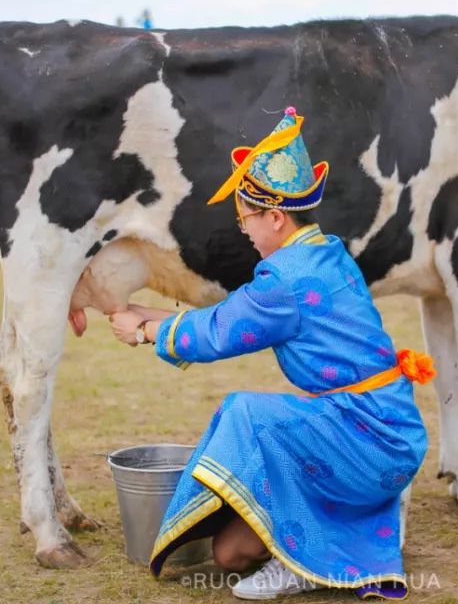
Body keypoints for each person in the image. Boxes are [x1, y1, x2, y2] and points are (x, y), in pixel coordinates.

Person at [108, 107, 433, 600]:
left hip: (368, 437)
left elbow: (219, 332)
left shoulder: (285, 278)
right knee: (228, 554)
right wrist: (149, 315)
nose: (245, 230)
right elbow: (234, 315)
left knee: (246, 412)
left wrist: (143, 332)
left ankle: (303, 562)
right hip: (385, 428)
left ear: (276, 218)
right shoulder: (323, 252)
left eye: (246, 219)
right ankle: (332, 527)